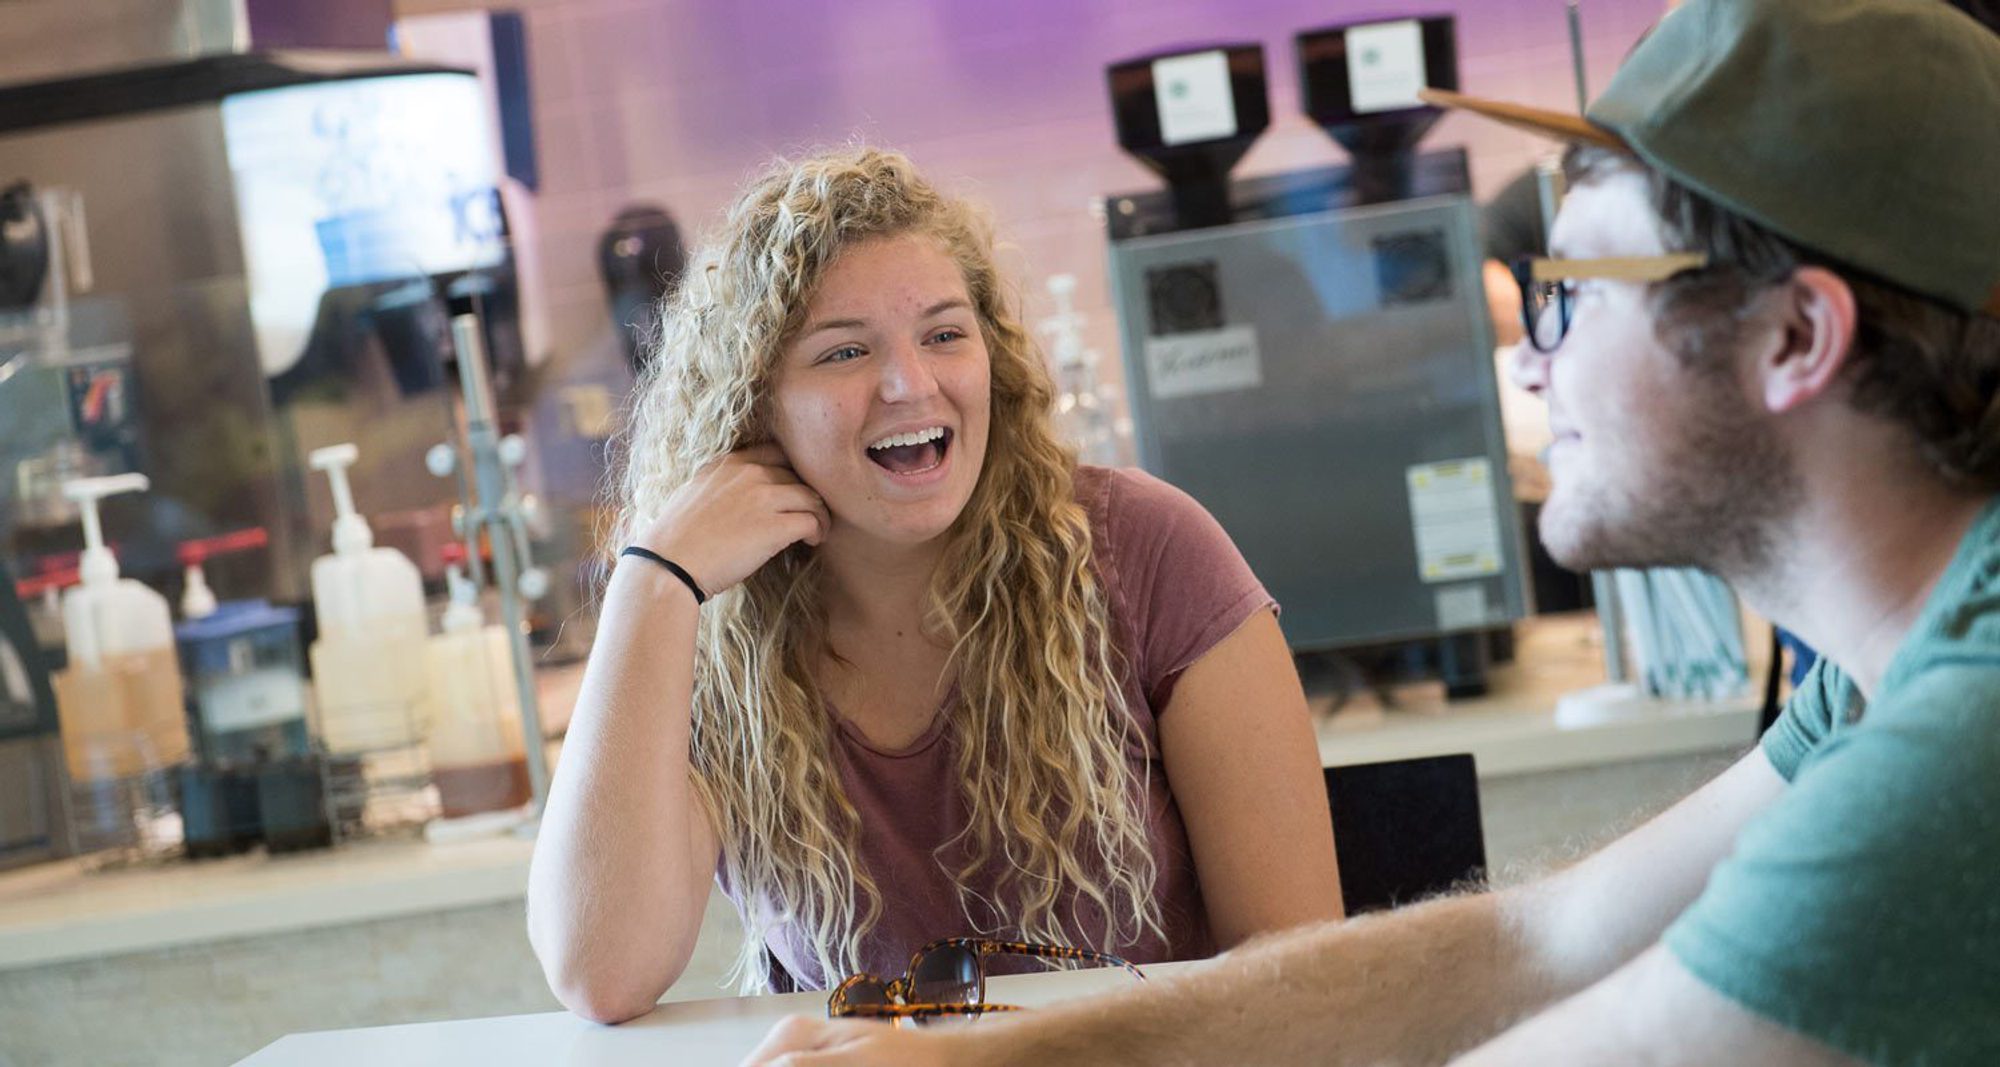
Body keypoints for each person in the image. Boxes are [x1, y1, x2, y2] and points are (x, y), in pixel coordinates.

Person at [745, 1, 2000, 1063]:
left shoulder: (1962, 746)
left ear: (1794, 338)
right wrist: (995, 1050)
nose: (1532, 360)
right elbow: (1539, 936)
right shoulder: (1882, 671)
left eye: (1571, 291)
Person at [525, 148, 1340, 1022]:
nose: (910, 383)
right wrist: (653, 582)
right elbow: (599, 971)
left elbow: (1307, 984)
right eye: (844, 351)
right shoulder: (707, 629)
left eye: (946, 335)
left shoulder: (1149, 551)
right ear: (755, 408)